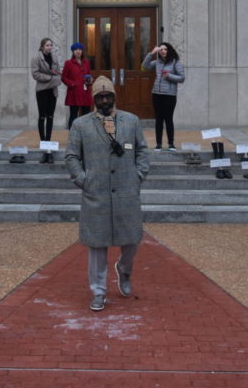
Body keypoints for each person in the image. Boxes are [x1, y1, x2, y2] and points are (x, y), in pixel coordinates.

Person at [65, 76, 150, 312]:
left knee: (131, 240)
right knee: (97, 246)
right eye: (100, 96)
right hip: (97, 193)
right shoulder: (81, 125)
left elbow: (142, 150)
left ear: (114, 97)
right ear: (93, 99)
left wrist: (138, 175)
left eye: (108, 96)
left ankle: (124, 269)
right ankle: (98, 291)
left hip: (126, 190)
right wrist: (83, 179)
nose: (104, 100)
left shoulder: (131, 121)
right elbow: (71, 155)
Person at [141, 42, 185, 151]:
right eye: (161, 50)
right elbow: (144, 67)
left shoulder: (176, 62)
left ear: (169, 50)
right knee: (159, 120)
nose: (163, 51)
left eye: (165, 49)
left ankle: (171, 144)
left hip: (169, 95)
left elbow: (182, 78)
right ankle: (158, 144)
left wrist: (168, 76)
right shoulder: (157, 62)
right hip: (157, 94)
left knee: (168, 119)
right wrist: (152, 53)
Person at [31, 37, 61, 162]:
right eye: (47, 45)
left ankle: (48, 141)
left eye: (51, 45)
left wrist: (54, 77)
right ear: (42, 46)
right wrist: (50, 78)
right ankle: (43, 142)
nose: (49, 47)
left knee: (50, 116)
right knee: (42, 116)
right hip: (42, 90)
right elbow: (35, 74)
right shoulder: (36, 58)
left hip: (52, 90)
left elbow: (58, 72)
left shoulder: (54, 57)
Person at [61, 42, 93, 129]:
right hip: (74, 93)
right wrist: (72, 83)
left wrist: (89, 80)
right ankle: (72, 136)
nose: (78, 51)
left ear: (82, 51)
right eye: (76, 50)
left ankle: (86, 135)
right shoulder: (68, 63)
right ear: (73, 51)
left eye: (80, 49)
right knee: (73, 115)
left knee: (86, 115)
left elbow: (88, 74)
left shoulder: (86, 62)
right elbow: (63, 77)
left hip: (85, 92)